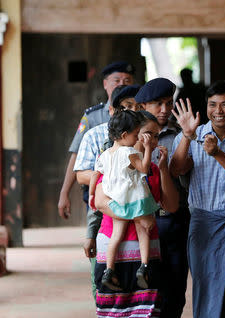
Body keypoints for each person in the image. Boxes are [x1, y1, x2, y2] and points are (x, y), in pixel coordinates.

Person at [169, 80, 225, 318]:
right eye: (213, 105)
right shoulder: (194, 135)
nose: (218, 111)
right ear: (207, 107)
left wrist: (217, 153)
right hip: (203, 225)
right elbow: (176, 169)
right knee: (209, 291)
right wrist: (187, 136)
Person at [93, 111, 179, 317]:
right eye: (146, 133)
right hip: (120, 249)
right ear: (130, 134)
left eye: (156, 135)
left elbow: (172, 206)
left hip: (146, 251)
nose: (151, 139)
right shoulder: (114, 164)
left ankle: (143, 267)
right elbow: (100, 202)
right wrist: (140, 215)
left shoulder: (152, 169)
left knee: (146, 311)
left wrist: (164, 168)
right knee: (113, 311)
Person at [74, 84, 142, 298]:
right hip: (108, 214)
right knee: (104, 291)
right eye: (126, 106)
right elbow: (85, 176)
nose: (133, 111)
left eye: (137, 106)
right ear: (112, 110)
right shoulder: (98, 139)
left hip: (133, 215)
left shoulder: (145, 136)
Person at [135, 77, 190, 318]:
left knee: (176, 291)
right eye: (158, 104)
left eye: (169, 103)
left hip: (174, 219)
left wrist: (187, 135)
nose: (165, 109)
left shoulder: (179, 134)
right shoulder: (130, 136)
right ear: (142, 107)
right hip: (142, 222)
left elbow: (178, 169)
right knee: (145, 290)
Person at [88, 110, 159, 290]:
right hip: (135, 200)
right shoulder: (129, 152)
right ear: (125, 135)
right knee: (144, 229)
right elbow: (143, 169)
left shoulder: (105, 154)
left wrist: (91, 194)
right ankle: (144, 267)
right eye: (136, 135)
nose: (137, 139)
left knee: (116, 237)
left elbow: (95, 175)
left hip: (116, 202)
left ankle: (109, 271)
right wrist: (149, 148)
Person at [58, 61, 135, 219]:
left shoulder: (139, 116)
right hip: (97, 193)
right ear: (105, 84)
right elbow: (76, 155)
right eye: (117, 80)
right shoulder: (93, 116)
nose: (122, 84)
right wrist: (64, 193)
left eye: (127, 81)